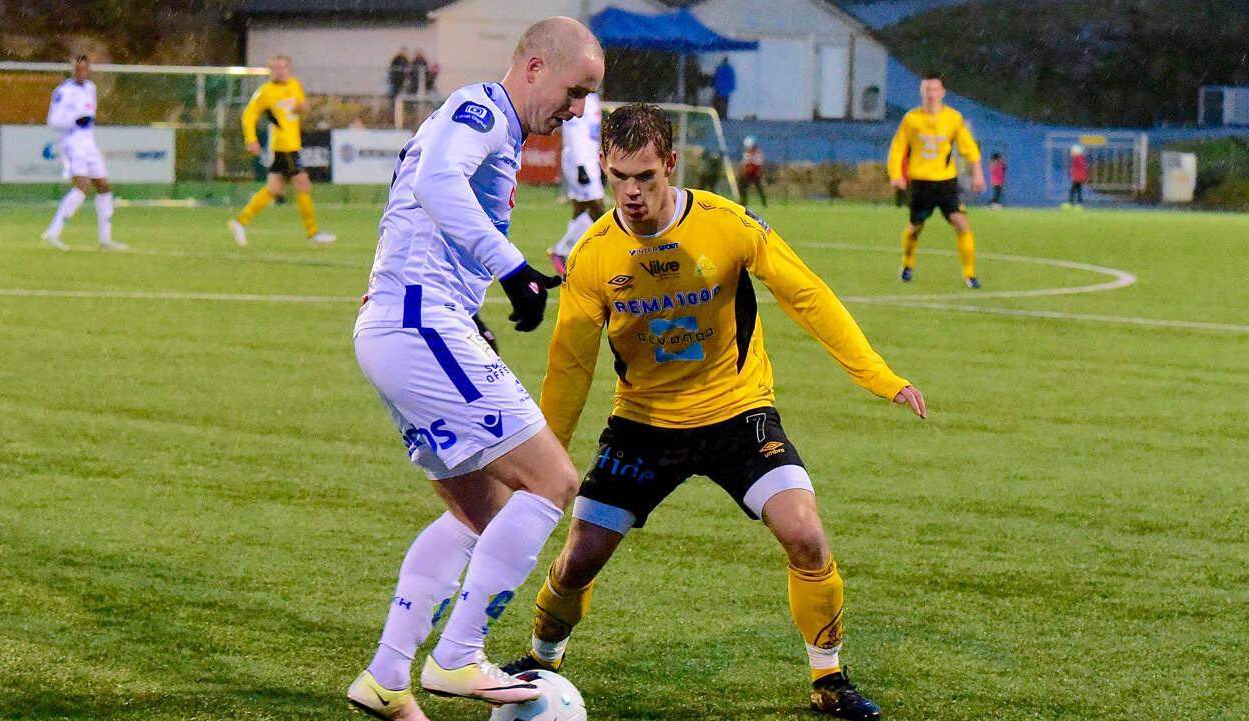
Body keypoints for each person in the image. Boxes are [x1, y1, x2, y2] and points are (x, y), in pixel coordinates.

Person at [502, 103, 927, 721]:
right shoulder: (594, 254)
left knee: (805, 534)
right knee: (578, 560)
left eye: (645, 176)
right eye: (619, 177)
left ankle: (829, 678)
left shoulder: (726, 224)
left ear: (670, 164)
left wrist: (877, 375)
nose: (631, 192)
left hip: (737, 413)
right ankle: (543, 660)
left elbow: (806, 294)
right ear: (604, 168)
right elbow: (568, 366)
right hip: (644, 425)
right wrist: (546, 460)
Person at [345, 17, 605, 721]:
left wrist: (469, 307)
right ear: (534, 68)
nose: (577, 109)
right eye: (574, 91)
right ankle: (458, 654)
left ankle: (386, 677)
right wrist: (511, 268)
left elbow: (418, 215)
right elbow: (435, 182)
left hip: (409, 325)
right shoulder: (481, 107)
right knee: (552, 481)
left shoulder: (490, 126)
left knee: (479, 513)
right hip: (418, 324)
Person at [887, 72, 985, 288]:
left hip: (946, 182)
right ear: (922, 92)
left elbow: (969, 147)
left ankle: (970, 275)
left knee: (961, 223)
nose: (931, 94)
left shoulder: (953, 118)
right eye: (927, 90)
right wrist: (896, 175)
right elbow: (898, 148)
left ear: (942, 92)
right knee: (916, 227)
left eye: (934, 90)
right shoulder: (912, 119)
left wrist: (978, 173)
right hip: (921, 182)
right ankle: (907, 264)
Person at [229, 54, 336, 247]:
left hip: (293, 144)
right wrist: (251, 139)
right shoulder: (265, 92)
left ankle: (240, 222)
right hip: (283, 147)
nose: (281, 71)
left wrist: (303, 108)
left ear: (289, 69)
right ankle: (312, 233)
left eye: (284, 67)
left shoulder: (295, 85)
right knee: (303, 184)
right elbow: (249, 115)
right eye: (276, 68)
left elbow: (301, 108)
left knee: (274, 189)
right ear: (271, 71)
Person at [41, 55, 127, 251]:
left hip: (89, 141)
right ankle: (52, 232)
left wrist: (86, 120)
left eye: (84, 69)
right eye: (77, 69)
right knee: (81, 187)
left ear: (89, 70)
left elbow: (89, 113)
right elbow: (53, 121)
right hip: (73, 142)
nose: (81, 72)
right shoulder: (63, 91)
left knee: (103, 186)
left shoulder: (90, 88)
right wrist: (74, 121)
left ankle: (105, 239)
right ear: (72, 70)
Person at [547, 90, 603, 275]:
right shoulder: (579, 100)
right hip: (581, 163)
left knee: (580, 208)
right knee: (597, 209)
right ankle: (561, 251)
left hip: (590, 161)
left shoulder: (593, 99)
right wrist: (580, 166)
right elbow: (574, 135)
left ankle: (571, 252)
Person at [738, 133, 767, 206]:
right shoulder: (747, 152)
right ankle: (743, 202)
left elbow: (758, 164)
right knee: (742, 187)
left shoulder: (757, 152)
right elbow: (744, 163)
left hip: (755, 174)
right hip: (747, 174)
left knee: (759, 188)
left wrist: (757, 172)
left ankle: (764, 203)